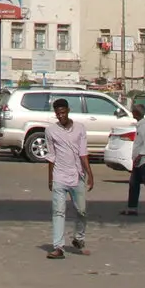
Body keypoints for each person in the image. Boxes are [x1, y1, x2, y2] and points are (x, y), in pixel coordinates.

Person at [45, 97, 94, 259]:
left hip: (77, 176)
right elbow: (51, 155)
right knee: (58, 212)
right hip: (59, 176)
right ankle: (58, 247)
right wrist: (50, 178)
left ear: (68, 111)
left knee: (82, 211)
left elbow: (83, 153)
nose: (61, 116)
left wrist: (90, 174)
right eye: (58, 114)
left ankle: (79, 238)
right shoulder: (51, 131)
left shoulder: (80, 128)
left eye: (63, 113)